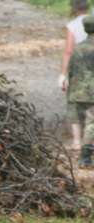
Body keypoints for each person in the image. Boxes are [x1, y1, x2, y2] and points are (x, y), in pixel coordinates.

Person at [61, 0, 90, 150]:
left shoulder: (73, 25)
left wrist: (63, 75)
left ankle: (77, 141)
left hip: (79, 71)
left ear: (74, 8)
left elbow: (68, 52)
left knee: (74, 104)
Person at [67, 15, 94, 167]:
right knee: (92, 124)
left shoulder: (78, 48)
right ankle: (85, 157)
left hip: (77, 91)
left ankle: (81, 146)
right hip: (92, 93)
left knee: (81, 121)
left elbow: (71, 70)